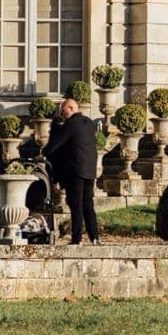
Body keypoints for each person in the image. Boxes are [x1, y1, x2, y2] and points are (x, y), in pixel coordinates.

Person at [41, 97, 101, 245]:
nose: (62, 114)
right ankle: (94, 238)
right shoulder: (89, 124)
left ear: (71, 108)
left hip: (75, 171)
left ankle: (77, 239)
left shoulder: (71, 124)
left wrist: (45, 150)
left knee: (76, 205)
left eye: (63, 111)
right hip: (90, 170)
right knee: (88, 205)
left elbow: (54, 146)